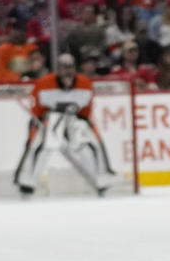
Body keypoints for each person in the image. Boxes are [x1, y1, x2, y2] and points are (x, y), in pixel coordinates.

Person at [13, 54, 117, 196]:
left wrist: (81, 125)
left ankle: (102, 178)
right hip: (49, 122)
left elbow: (86, 113)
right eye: (63, 67)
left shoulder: (85, 84)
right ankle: (27, 181)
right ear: (58, 69)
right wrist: (43, 123)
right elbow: (36, 111)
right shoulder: (44, 83)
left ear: (74, 68)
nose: (67, 71)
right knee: (38, 147)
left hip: (75, 122)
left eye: (70, 67)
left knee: (91, 146)